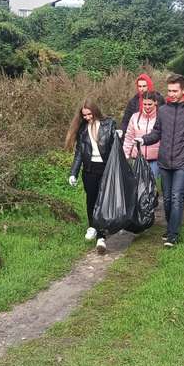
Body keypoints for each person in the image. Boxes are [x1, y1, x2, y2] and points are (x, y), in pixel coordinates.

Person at [135, 74, 184, 247]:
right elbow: (156, 133)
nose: (171, 94)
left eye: (175, 91)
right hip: (164, 162)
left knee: (177, 197)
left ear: (183, 90)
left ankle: (173, 235)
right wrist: (143, 139)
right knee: (168, 199)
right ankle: (171, 226)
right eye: (169, 91)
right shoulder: (163, 111)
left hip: (183, 162)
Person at [65, 99, 118, 254]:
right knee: (91, 200)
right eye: (84, 115)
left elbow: (116, 148)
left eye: (89, 114)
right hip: (89, 170)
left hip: (106, 168)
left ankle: (101, 237)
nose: (87, 117)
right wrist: (73, 173)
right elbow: (79, 154)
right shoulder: (82, 129)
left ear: (95, 111)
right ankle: (92, 226)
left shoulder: (109, 124)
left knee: (102, 201)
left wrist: (119, 137)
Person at [123, 91, 160, 180]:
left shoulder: (160, 116)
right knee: (137, 184)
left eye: (150, 104)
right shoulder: (135, 117)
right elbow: (129, 137)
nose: (147, 107)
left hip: (155, 160)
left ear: (155, 102)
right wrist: (125, 155)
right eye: (145, 104)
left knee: (153, 184)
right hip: (137, 158)